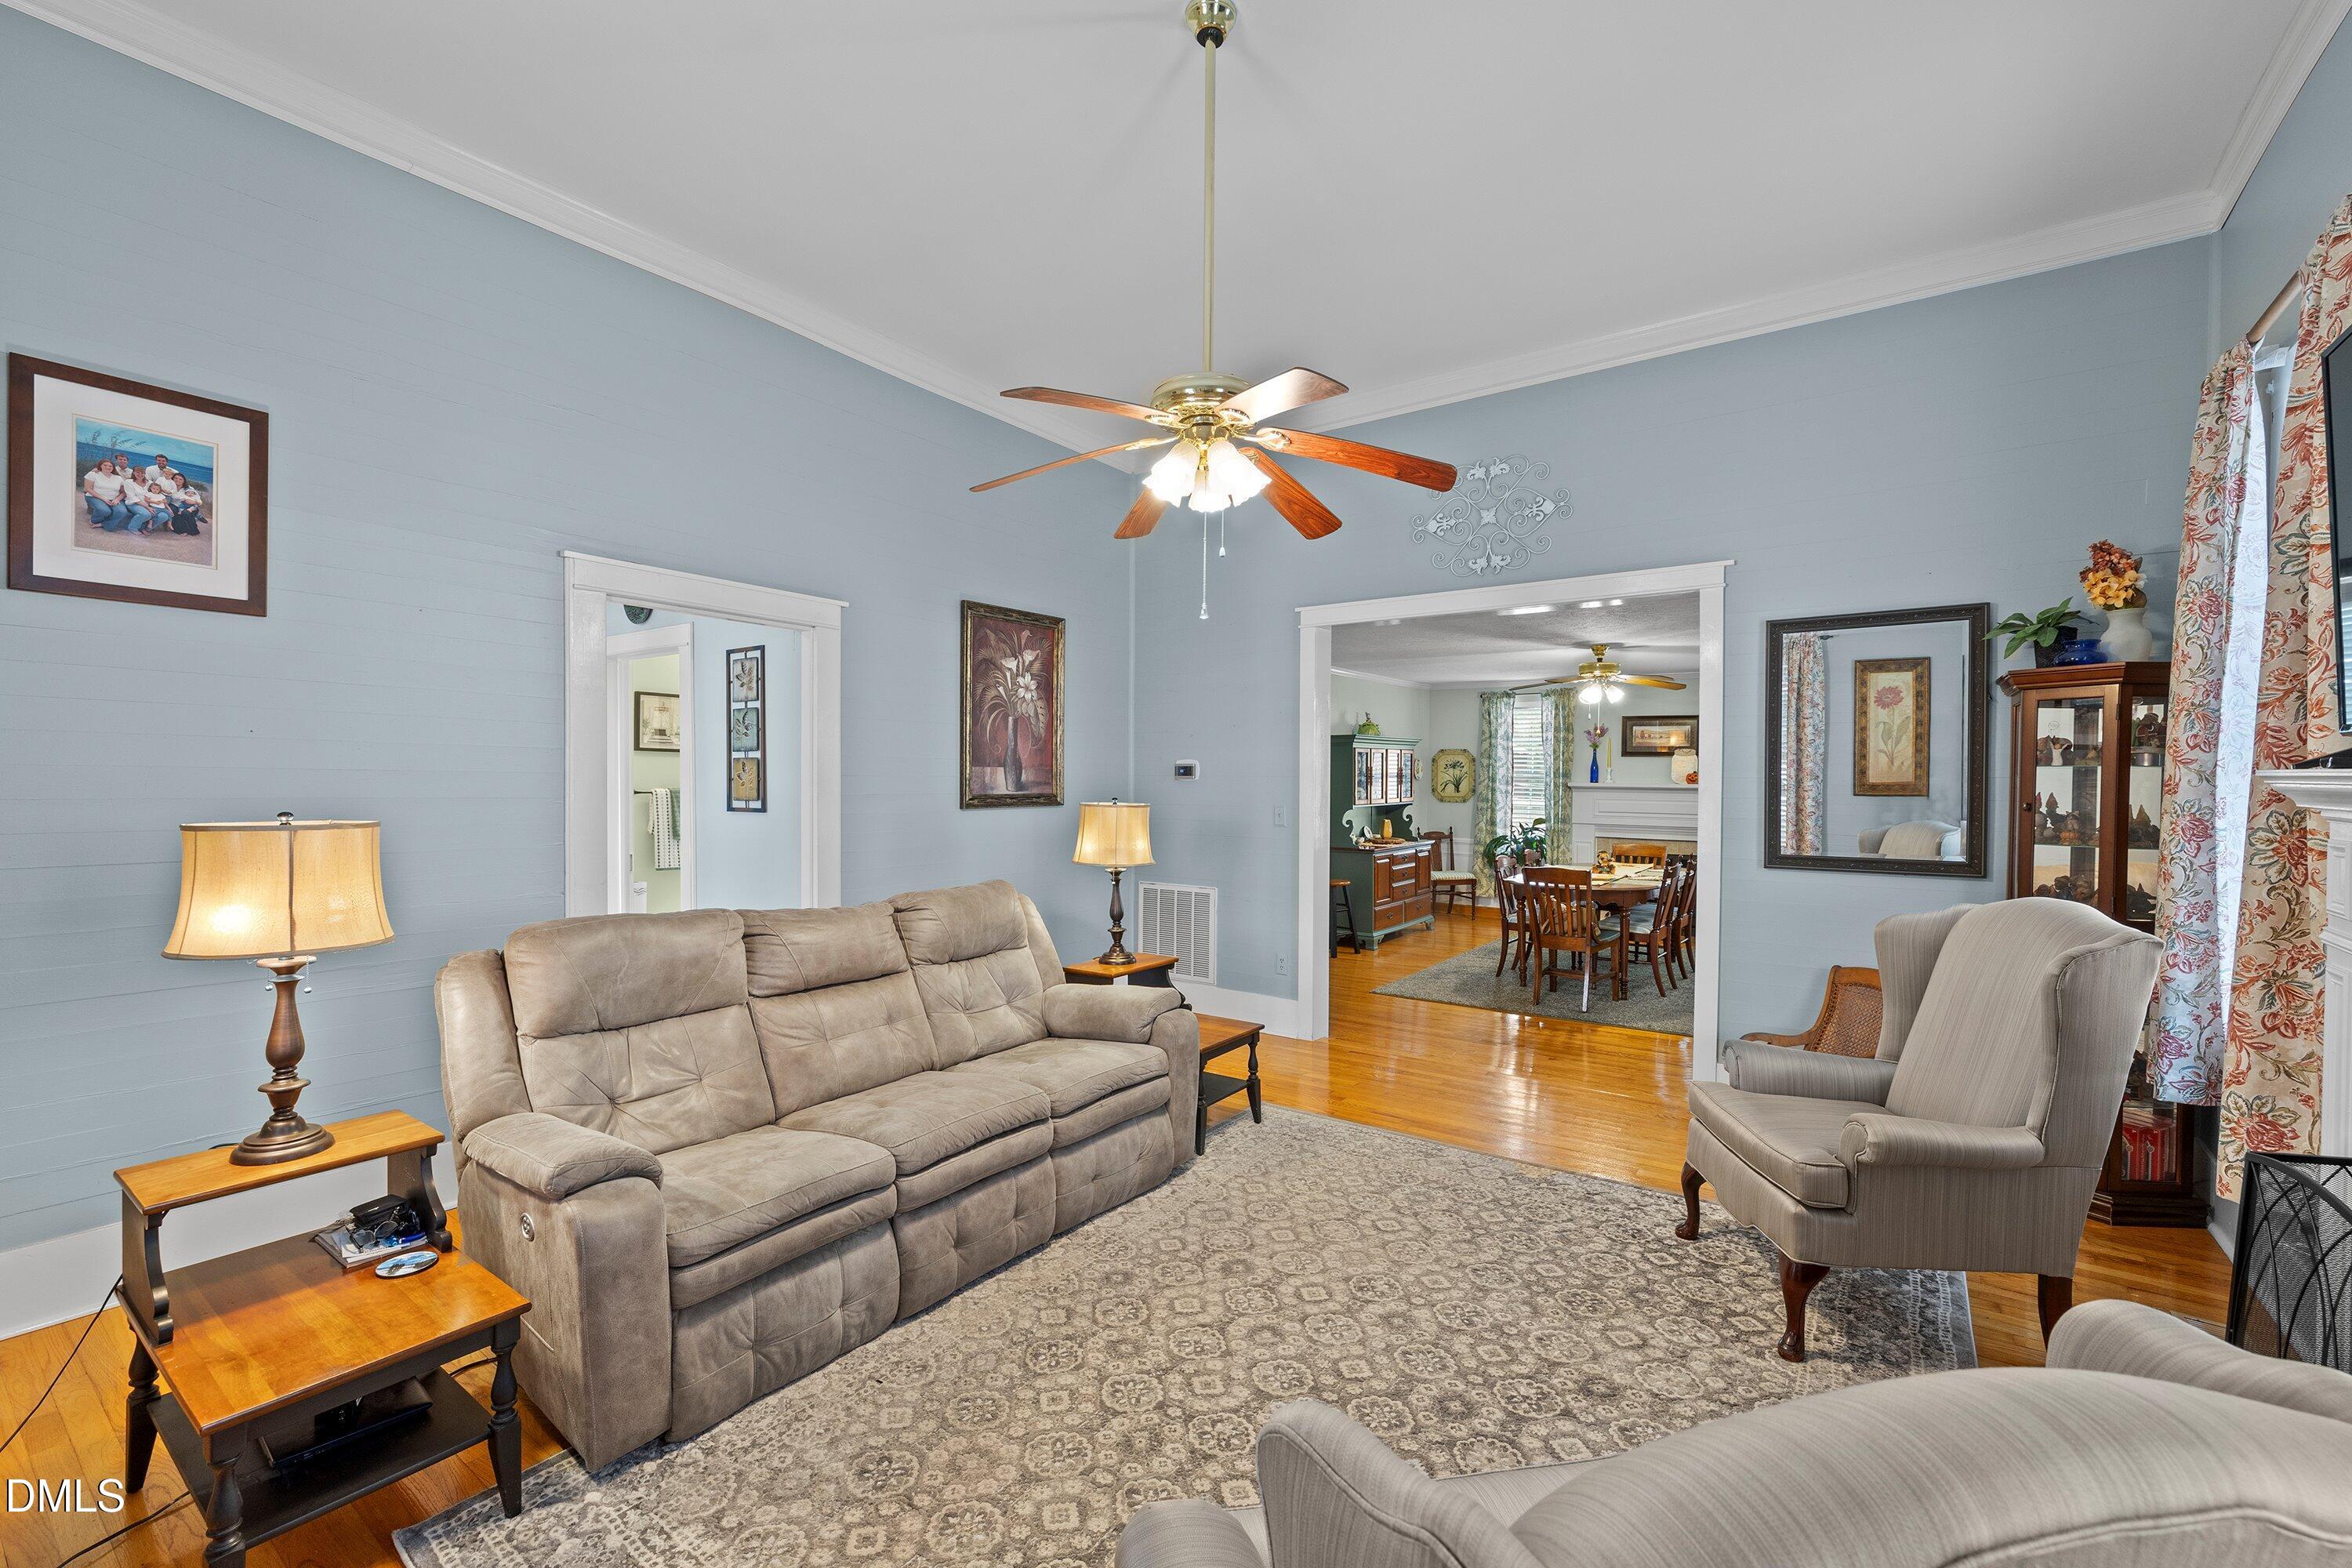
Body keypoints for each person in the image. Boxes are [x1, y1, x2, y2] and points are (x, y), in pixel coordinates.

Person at [82, 459, 131, 530]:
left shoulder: (118, 478)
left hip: (114, 499)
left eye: (110, 466)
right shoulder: (93, 474)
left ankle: (105, 524)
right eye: (105, 465)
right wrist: (103, 499)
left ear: (113, 468)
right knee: (104, 510)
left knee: (122, 512)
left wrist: (117, 499)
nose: (108, 467)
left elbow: (123, 492)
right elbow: (88, 489)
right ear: (100, 466)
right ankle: (94, 521)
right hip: (95, 497)